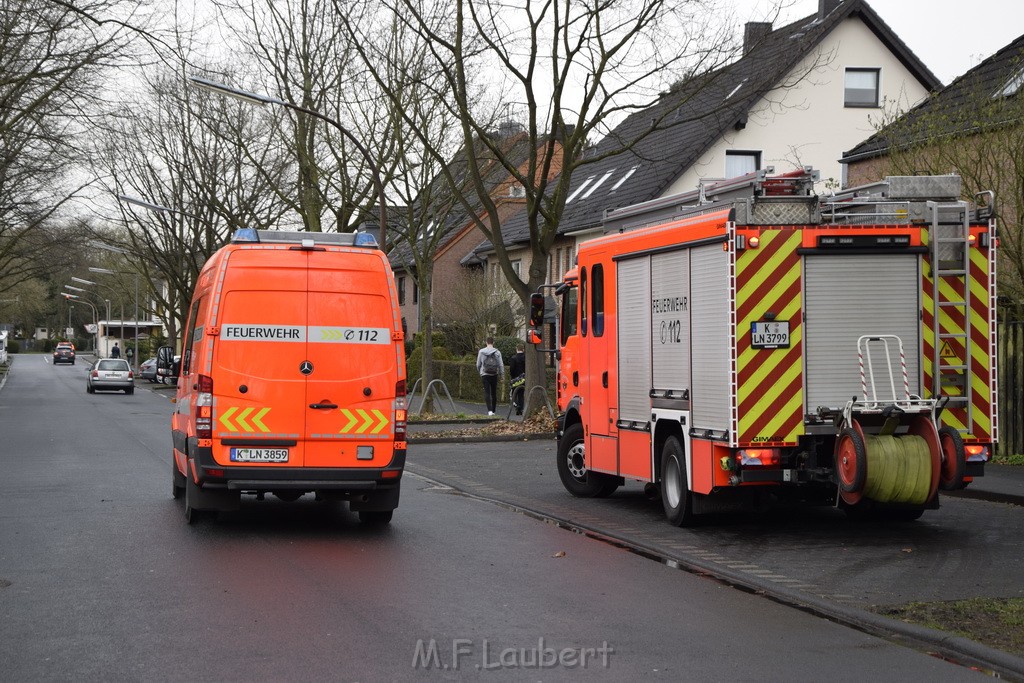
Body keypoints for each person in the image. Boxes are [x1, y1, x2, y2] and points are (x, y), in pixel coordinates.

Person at [476, 337, 503, 416]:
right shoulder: (497, 352)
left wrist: (480, 372)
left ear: (486, 342)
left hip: (485, 374)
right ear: (493, 342)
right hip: (494, 374)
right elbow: (501, 365)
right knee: (494, 392)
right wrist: (502, 375)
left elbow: (478, 364)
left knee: (487, 392)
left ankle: (489, 411)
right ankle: (494, 411)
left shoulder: (481, 352)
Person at [509, 343, 526, 415]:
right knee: (521, 395)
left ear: (516, 349)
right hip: (523, 379)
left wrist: (513, 377)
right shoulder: (525, 358)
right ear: (523, 350)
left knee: (514, 393)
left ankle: (516, 406)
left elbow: (511, 370)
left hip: (515, 379)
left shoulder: (513, 358)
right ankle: (521, 408)